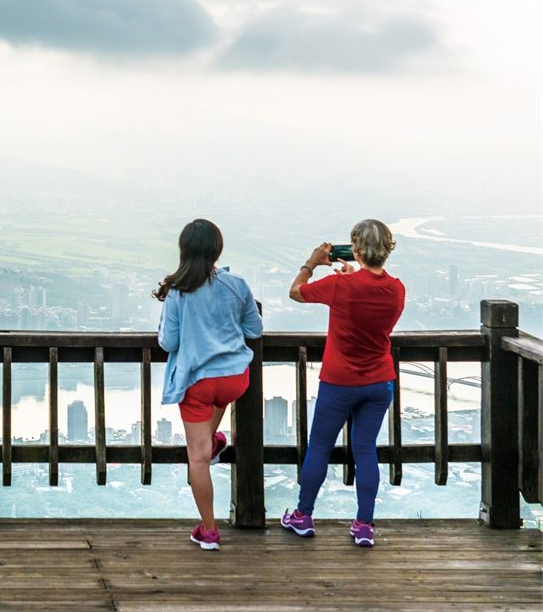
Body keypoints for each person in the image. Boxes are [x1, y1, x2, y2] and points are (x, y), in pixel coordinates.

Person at [281, 219, 405, 548]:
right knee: (365, 450)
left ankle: (303, 516)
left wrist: (312, 262)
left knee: (320, 446)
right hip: (379, 381)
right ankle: (364, 524)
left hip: (339, 381)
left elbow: (296, 292)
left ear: (356, 249)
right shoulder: (396, 289)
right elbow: (371, 305)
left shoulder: (341, 286)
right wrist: (352, 276)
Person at [156, 219, 263, 550]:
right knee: (210, 433)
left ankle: (210, 530)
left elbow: (167, 342)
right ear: (217, 249)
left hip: (198, 383)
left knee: (197, 458)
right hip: (234, 379)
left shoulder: (178, 292)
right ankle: (215, 441)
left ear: (184, 250)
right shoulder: (237, 285)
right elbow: (254, 330)